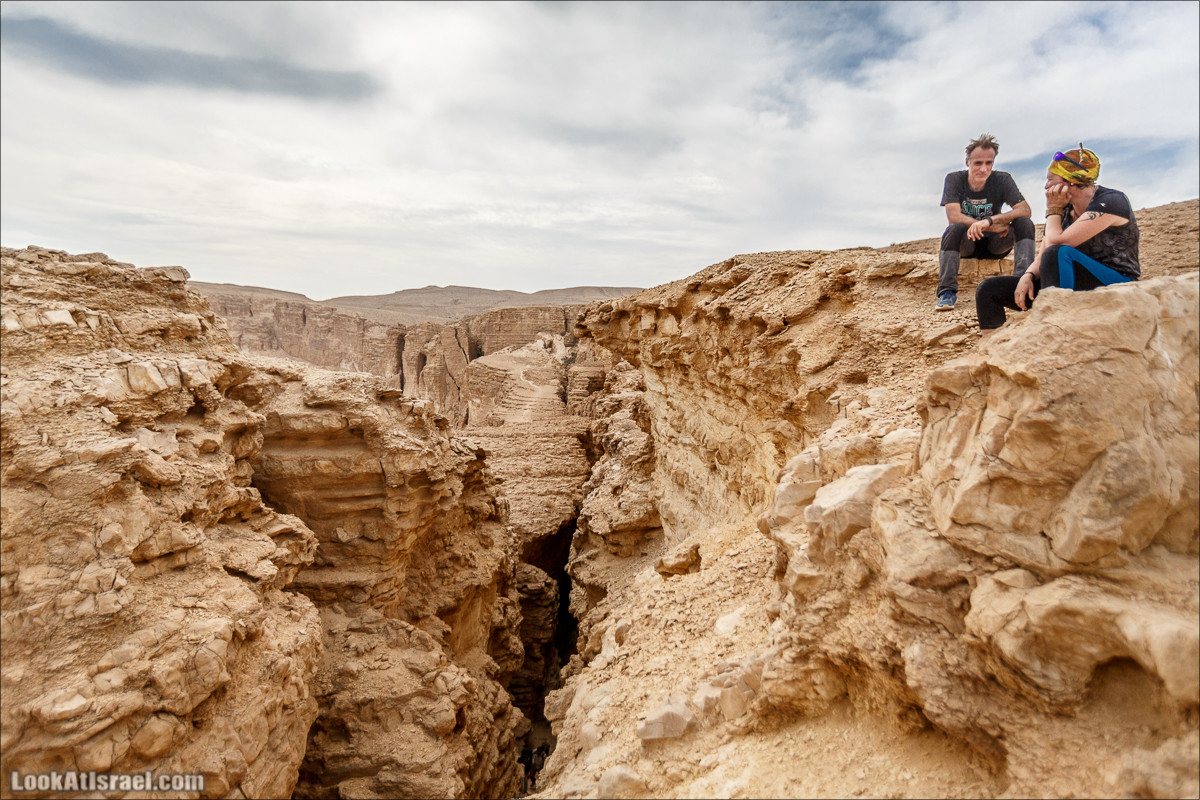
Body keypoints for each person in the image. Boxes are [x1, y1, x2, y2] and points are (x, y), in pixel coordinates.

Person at [975, 145, 1139, 333]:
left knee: (1058, 252)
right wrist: (1028, 276)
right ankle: (989, 352)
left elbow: (1056, 245)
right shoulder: (1063, 210)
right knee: (989, 289)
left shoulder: (1111, 201)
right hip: (1066, 281)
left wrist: (1052, 209)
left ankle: (1054, 329)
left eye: (1050, 180)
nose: (1046, 186)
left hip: (1116, 283)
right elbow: (1043, 254)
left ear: (1069, 182)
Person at [937, 133, 1035, 311]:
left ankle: (1021, 283)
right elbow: (953, 215)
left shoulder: (1002, 179)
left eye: (988, 163)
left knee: (1024, 223)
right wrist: (981, 224)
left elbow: (1025, 210)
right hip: (968, 243)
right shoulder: (954, 179)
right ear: (967, 163)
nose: (983, 169)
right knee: (954, 228)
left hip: (995, 243)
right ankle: (947, 292)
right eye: (978, 163)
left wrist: (990, 221)